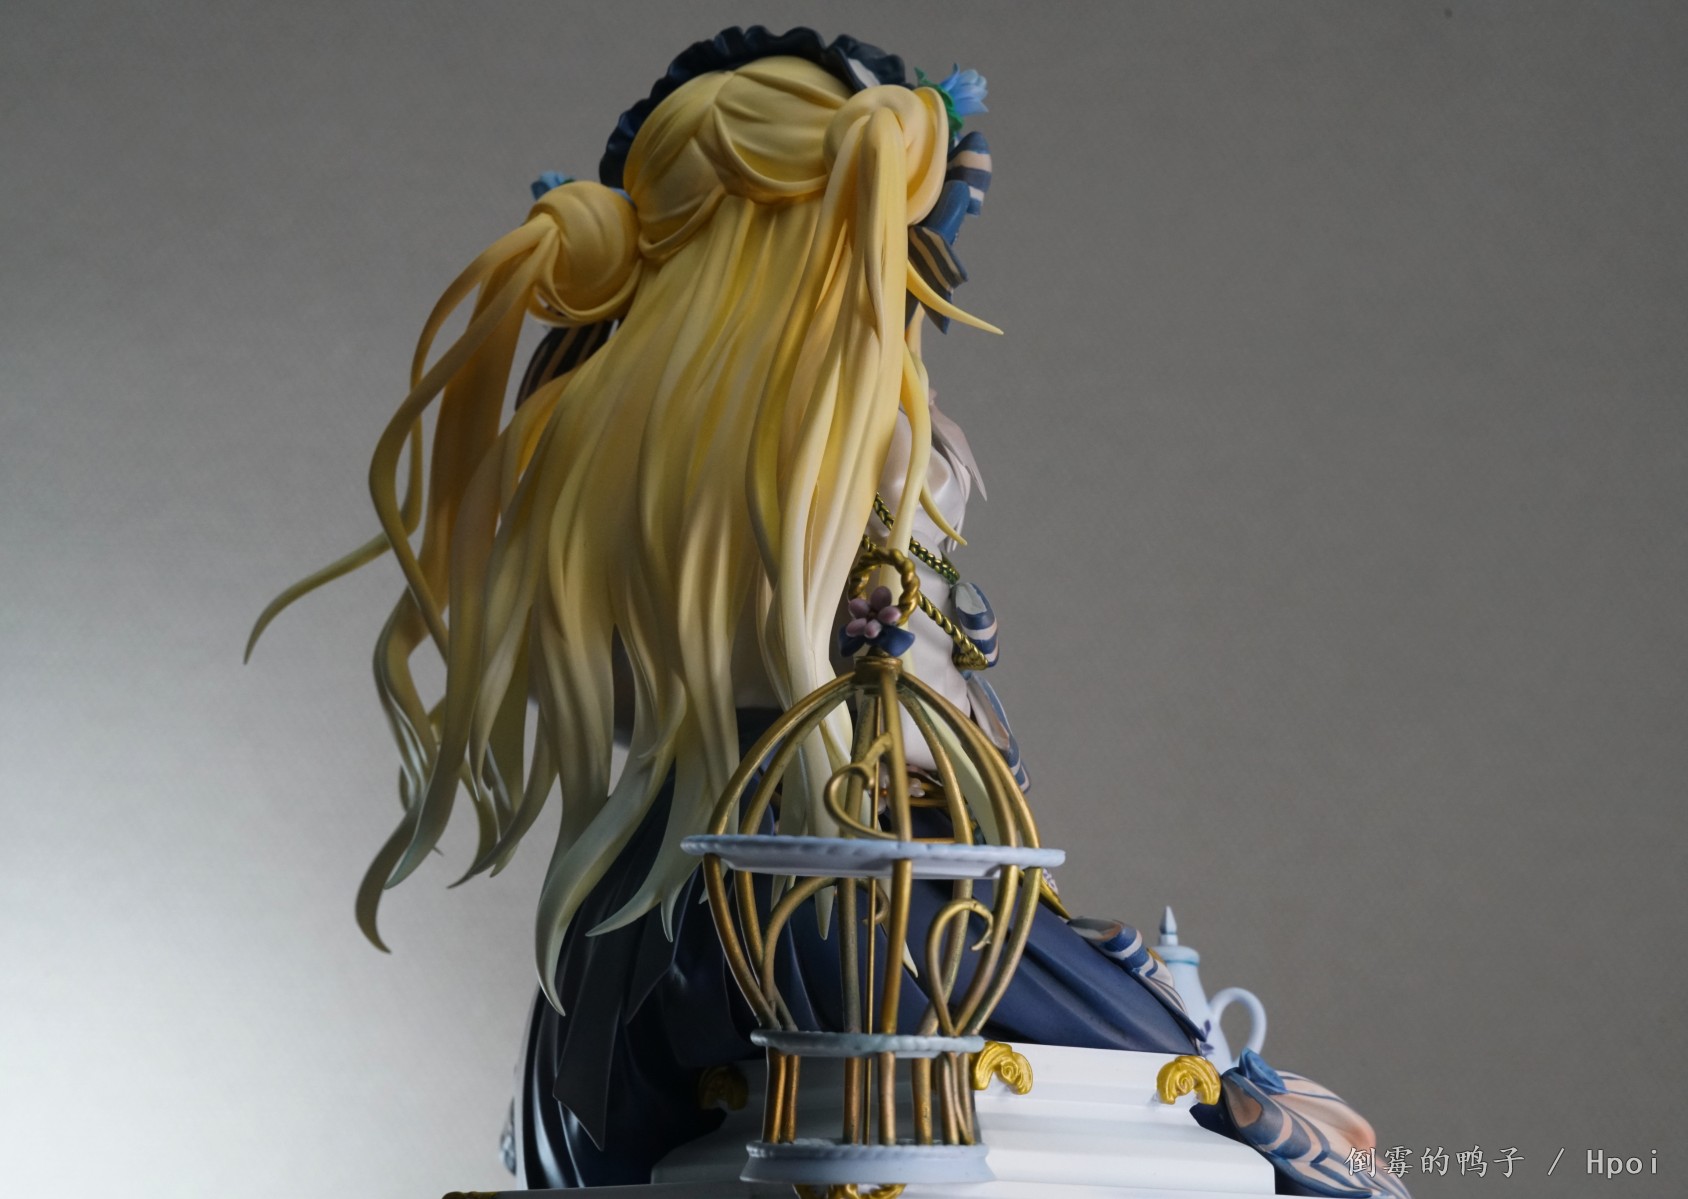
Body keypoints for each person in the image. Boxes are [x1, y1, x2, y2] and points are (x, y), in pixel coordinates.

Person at [253, 28, 1405, 1197]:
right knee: (1261, 1117)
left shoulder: (591, 425)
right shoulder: (870, 435)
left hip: (642, 923)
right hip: (853, 906)